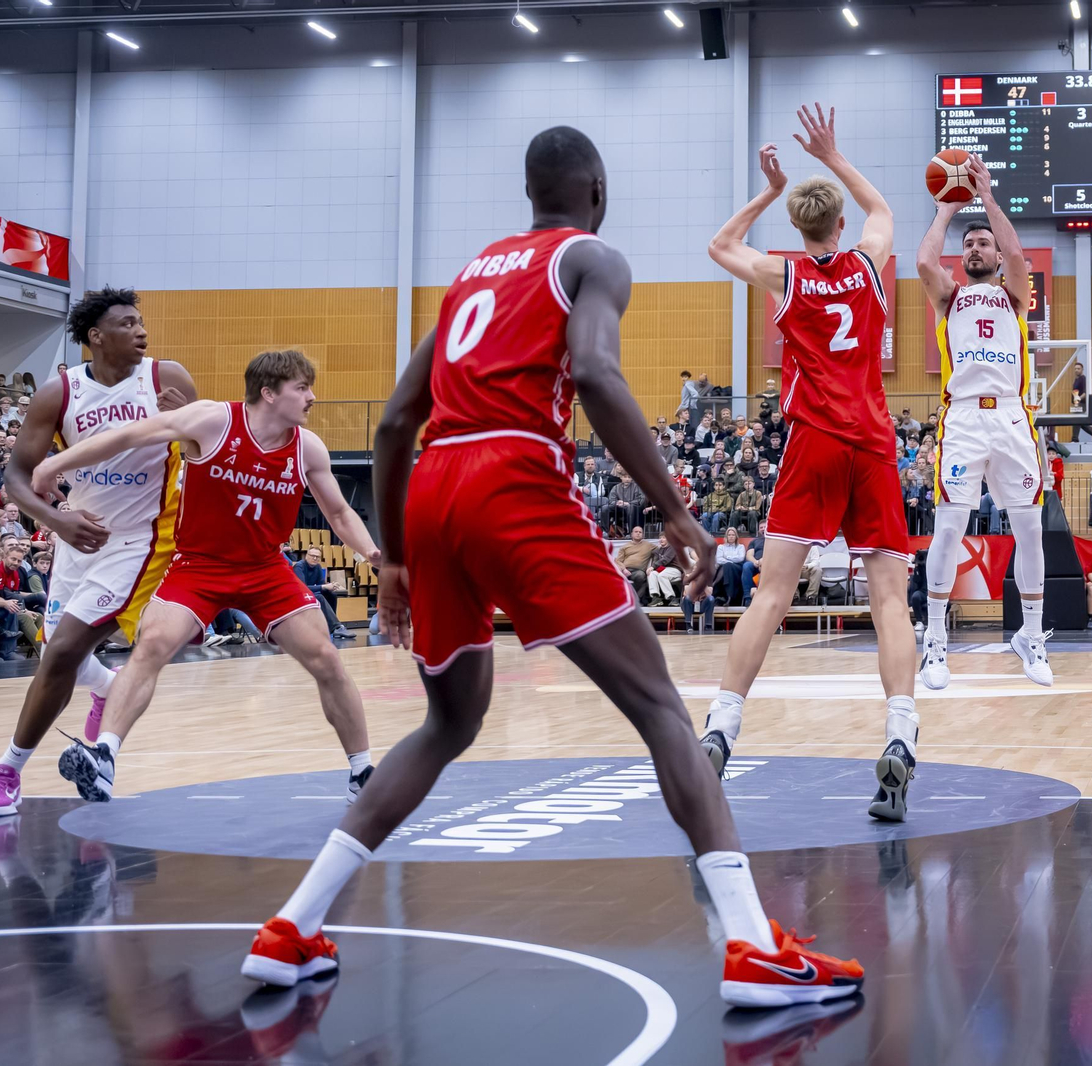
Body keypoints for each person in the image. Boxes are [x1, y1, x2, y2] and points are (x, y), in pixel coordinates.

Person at [241, 126, 862, 1007]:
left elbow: (389, 424)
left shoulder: (472, 273)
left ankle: (293, 924)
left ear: (530, 194)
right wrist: (676, 510)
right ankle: (753, 948)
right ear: (597, 192)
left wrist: (393, 561)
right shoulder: (592, 258)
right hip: (511, 477)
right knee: (660, 710)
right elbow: (600, 376)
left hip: (432, 489)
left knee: (446, 726)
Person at [702, 103, 918, 820]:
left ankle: (720, 729)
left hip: (814, 443)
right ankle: (900, 734)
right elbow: (881, 207)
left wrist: (769, 189)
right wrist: (831, 155)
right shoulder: (869, 262)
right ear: (838, 227)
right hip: (874, 443)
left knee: (771, 595)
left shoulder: (783, 275)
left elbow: (719, 245)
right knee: (889, 599)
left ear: (798, 229)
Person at [46, 349, 382, 806]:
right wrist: (52, 465)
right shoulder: (212, 421)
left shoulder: (308, 447)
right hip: (199, 564)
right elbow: (127, 435)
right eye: (302, 388)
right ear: (269, 392)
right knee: (153, 645)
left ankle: (362, 771)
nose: (312, 397)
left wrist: (371, 552)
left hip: (266, 568)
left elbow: (340, 512)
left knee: (326, 657)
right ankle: (104, 756)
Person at [0, 287, 199, 819]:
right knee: (57, 650)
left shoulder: (168, 379)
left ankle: (6, 772)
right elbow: (16, 477)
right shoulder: (60, 392)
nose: (141, 331)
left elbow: (204, 459)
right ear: (96, 336)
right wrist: (55, 520)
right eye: (127, 323)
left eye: (141, 322)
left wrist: (187, 431)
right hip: (77, 534)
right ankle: (106, 690)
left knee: (64, 650)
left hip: (141, 539)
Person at [917, 153, 1051, 690]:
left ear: (995, 253)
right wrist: (947, 208)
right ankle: (935, 644)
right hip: (964, 420)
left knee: (1031, 530)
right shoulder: (949, 297)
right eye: (968, 245)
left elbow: (1019, 252)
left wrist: (988, 198)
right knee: (949, 527)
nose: (975, 249)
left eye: (982, 243)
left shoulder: (1014, 295)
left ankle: (1032, 638)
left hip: (1014, 419)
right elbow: (926, 263)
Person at [294, 545, 356, 640]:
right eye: (312, 555)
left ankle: (332, 625)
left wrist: (330, 586)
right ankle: (336, 627)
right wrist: (324, 586)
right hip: (298, 596)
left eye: (317, 557)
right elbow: (302, 588)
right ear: (306, 555)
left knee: (331, 594)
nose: (314, 558)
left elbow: (321, 585)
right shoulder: (299, 566)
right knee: (319, 597)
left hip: (310, 594)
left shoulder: (318, 567)